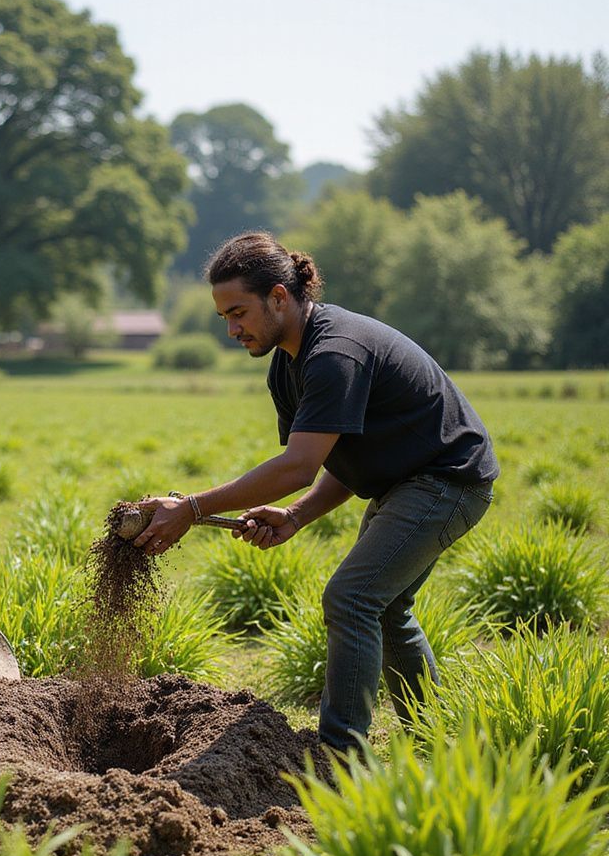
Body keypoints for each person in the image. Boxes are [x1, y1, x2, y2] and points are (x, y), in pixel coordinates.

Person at [134, 231, 498, 754]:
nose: (232, 329)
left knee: (351, 598)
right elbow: (337, 461)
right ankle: (436, 741)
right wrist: (297, 516)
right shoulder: (287, 366)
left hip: (448, 480)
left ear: (279, 297)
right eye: (224, 318)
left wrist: (191, 509)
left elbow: (297, 466)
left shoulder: (335, 353)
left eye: (239, 312)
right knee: (386, 607)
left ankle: (338, 757)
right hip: (406, 483)